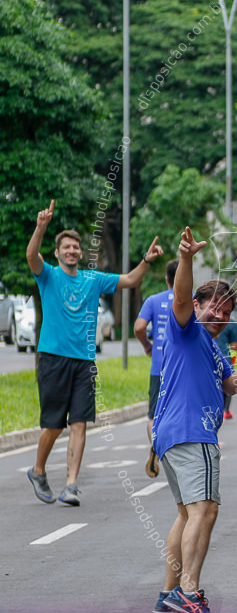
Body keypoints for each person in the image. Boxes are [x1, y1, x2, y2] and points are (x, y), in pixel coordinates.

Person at [151, 227, 237, 613]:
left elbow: (227, 385)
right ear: (198, 306)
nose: (219, 315)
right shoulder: (186, 327)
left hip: (173, 434)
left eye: (226, 310)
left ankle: (169, 591)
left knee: (188, 514)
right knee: (206, 510)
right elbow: (181, 296)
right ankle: (189, 592)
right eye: (212, 307)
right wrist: (185, 257)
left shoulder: (212, 346)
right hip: (191, 432)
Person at [26, 199, 163, 506]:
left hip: (85, 362)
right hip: (53, 358)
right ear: (58, 252)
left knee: (80, 422)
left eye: (76, 247)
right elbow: (31, 255)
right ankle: (38, 470)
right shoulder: (47, 275)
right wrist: (41, 227)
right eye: (67, 247)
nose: (72, 251)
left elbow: (130, 280)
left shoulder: (92, 279)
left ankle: (71, 485)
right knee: (53, 424)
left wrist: (146, 259)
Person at [135, 259, 178, 478]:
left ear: (166, 279)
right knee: (179, 410)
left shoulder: (154, 300)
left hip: (159, 365)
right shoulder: (191, 300)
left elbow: (139, 326)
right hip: (182, 368)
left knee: (154, 414)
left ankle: (156, 446)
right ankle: (175, 452)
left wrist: (147, 345)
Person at [215, 320, 237, 418]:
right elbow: (235, 346)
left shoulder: (206, 317)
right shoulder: (231, 323)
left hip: (208, 357)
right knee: (227, 385)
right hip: (225, 359)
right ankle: (225, 411)